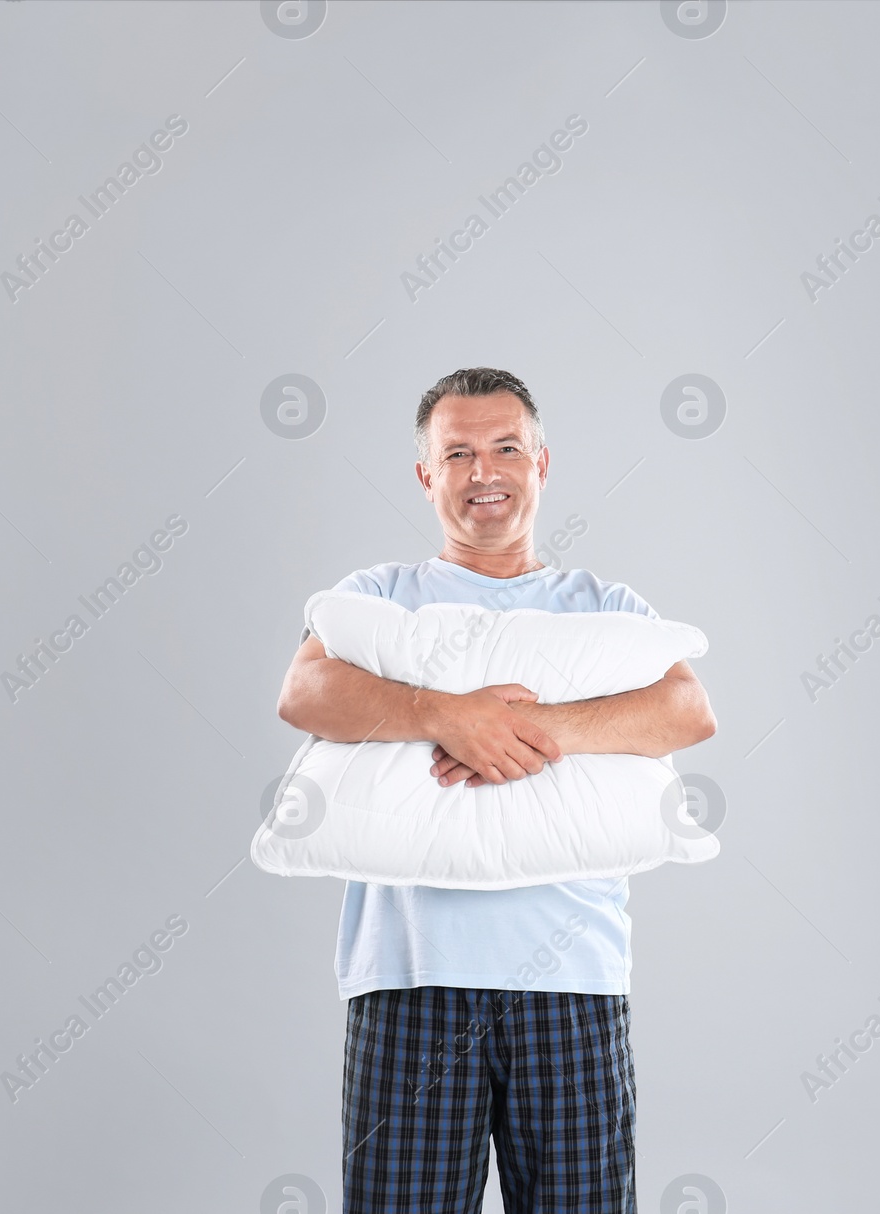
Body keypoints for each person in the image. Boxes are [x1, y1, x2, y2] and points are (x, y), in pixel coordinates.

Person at [276, 367, 717, 1213]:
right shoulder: (380, 597)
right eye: (460, 453)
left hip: (572, 982)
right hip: (409, 983)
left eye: (507, 448)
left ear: (542, 464)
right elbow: (303, 694)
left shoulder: (601, 605)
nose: (485, 472)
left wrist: (530, 733)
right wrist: (445, 713)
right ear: (426, 475)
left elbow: (687, 709)